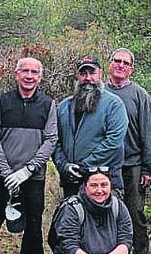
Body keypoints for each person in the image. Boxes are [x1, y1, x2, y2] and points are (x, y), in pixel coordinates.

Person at [0, 56, 58, 254]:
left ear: (40, 76)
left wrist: (28, 170)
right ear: (15, 74)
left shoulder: (48, 104)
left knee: (34, 225)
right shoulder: (1, 101)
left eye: (34, 72)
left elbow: (51, 139)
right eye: (24, 71)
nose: (29, 76)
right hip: (1, 176)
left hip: (32, 178)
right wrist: (7, 172)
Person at [104, 48, 151, 254]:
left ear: (131, 69)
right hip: (106, 165)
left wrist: (148, 167)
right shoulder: (99, 92)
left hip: (133, 164)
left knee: (135, 212)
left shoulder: (139, 95)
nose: (121, 65)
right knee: (107, 214)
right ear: (109, 64)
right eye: (117, 61)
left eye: (126, 63)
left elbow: (148, 133)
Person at [49, 169, 133, 254]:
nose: (99, 190)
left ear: (110, 186)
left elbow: (126, 243)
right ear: (84, 186)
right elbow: (70, 248)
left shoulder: (118, 206)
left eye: (104, 185)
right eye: (94, 185)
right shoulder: (72, 208)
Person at [54, 55, 127, 197]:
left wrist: (84, 167)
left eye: (92, 73)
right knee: (72, 218)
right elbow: (55, 141)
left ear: (100, 73)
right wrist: (64, 166)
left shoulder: (114, 105)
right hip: (71, 182)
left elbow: (113, 142)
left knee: (105, 219)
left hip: (104, 182)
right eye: (83, 73)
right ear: (77, 76)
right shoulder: (63, 107)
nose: (88, 78)